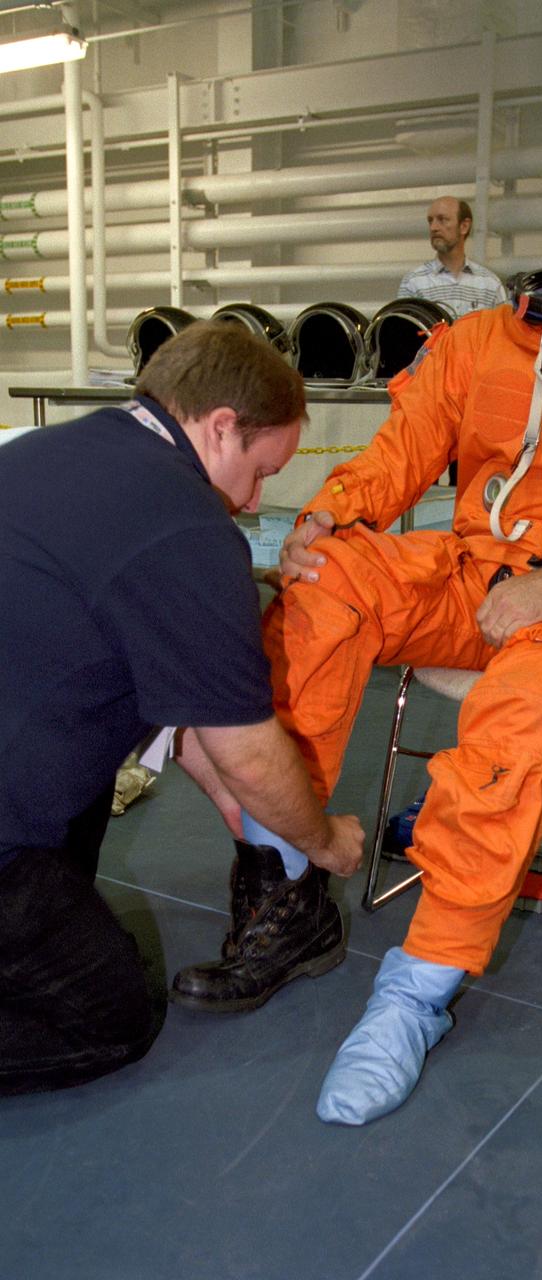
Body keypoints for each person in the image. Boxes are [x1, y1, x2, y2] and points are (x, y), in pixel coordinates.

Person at [174, 125, 542, 1125]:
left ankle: (416, 989)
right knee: (322, 586)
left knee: (520, 713)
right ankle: (284, 878)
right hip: (472, 573)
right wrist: (333, 513)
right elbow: (403, 449)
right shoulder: (485, 339)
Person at [0, 320, 364, 1096]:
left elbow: (180, 697)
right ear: (221, 426)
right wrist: (324, 840)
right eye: (262, 473)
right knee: (113, 1012)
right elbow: (245, 746)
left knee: (92, 754)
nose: (256, 499)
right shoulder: (188, 527)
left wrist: (250, 823)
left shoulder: (47, 453)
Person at [396, 195, 507, 317]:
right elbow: (403, 332)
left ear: (464, 226)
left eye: (442, 219)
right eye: (430, 221)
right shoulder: (413, 282)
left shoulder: (490, 284)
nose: (433, 228)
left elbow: (503, 332)